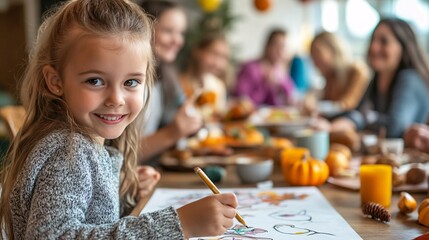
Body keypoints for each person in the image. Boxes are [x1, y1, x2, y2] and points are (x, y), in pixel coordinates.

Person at [0, 1, 237, 239]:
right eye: (95, 81)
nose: (116, 99)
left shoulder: (86, 146)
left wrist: (123, 194)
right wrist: (180, 224)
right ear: (56, 81)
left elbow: (92, 220)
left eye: (131, 82)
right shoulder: (68, 153)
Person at [329, 18, 429, 138]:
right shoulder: (377, 79)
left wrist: (360, 119)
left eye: (384, 41)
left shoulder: (410, 79)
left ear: (403, 47)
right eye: (373, 40)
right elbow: (358, 111)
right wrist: (325, 119)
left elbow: (395, 128)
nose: (373, 47)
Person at [139, 0, 203, 163]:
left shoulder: (166, 73)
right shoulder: (134, 85)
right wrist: (173, 132)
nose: (178, 40)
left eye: (181, 33)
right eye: (168, 31)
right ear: (143, 29)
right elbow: (122, 154)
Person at [306, 31, 369, 117]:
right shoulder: (330, 76)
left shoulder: (358, 71)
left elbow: (348, 104)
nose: (314, 62)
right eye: (313, 57)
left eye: (317, 54)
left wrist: (319, 107)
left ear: (333, 49)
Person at [233, 28, 296, 106]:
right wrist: (264, 85)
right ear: (268, 46)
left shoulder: (280, 72)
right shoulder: (251, 68)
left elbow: (290, 97)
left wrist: (280, 85)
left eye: (283, 47)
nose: (280, 51)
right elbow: (240, 99)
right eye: (277, 46)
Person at [180, 32, 230, 120]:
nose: (217, 63)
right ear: (198, 51)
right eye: (213, 53)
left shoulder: (219, 87)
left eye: (223, 57)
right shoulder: (181, 83)